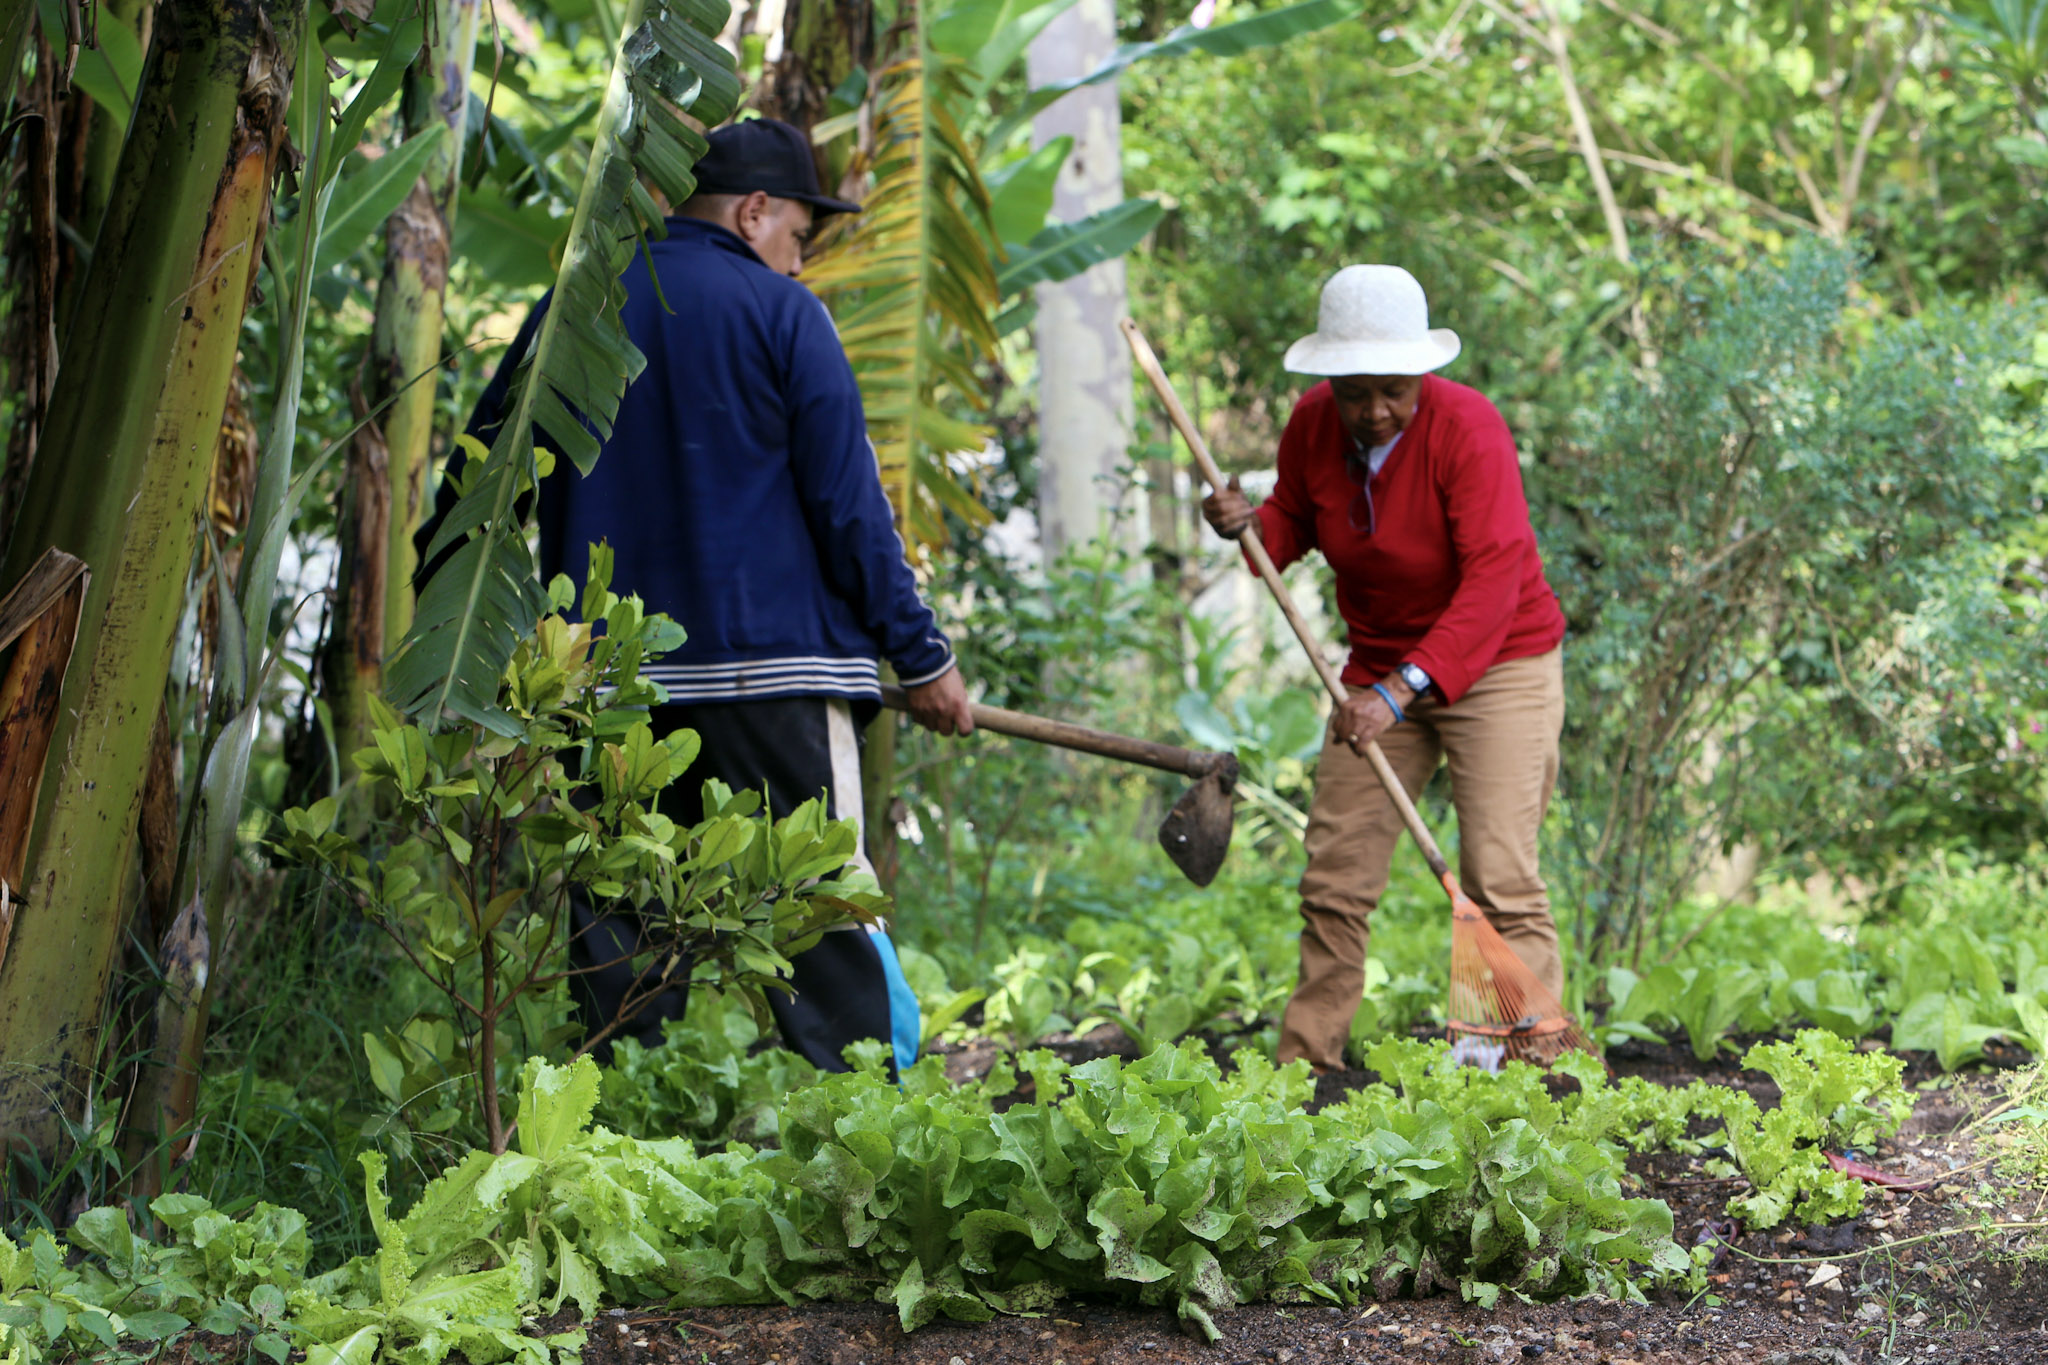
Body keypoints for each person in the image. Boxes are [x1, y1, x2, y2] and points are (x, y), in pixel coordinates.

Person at [431, 117, 974, 1071]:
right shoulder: (782, 314)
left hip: (613, 693)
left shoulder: (575, 311)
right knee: (826, 918)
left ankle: (610, 1150)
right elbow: (853, 512)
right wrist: (922, 656)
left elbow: (476, 487)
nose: (798, 263)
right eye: (798, 238)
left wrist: (481, 646)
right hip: (779, 684)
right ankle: (881, 1138)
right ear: (754, 211)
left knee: (617, 943)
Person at [1200, 264, 1568, 1073]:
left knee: (1501, 874)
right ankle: (1305, 1070)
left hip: (1498, 661)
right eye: (1355, 392)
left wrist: (1400, 693)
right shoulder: (1310, 426)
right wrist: (1245, 523)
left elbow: (1495, 580)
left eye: (1393, 391)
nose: (1373, 411)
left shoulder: (1468, 430)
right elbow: (1289, 522)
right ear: (1329, 382)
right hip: (1376, 669)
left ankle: (1536, 1069)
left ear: (1422, 374)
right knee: (1335, 874)